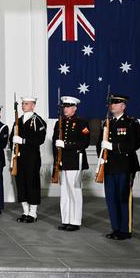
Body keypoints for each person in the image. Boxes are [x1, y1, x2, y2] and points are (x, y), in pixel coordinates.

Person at [99, 94, 140, 240]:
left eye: (116, 103)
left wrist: (113, 146)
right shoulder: (106, 122)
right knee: (111, 199)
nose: (112, 106)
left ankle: (125, 230)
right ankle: (116, 228)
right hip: (109, 166)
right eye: (111, 103)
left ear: (123, 106)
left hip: (125, 166)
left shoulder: (131, 122)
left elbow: (134, 144)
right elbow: (101, 143)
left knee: (124, 198)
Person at [52, 96, 90, 232]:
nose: (65, 109)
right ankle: (65, 219)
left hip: (75, 161)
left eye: (68, 107)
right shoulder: (59, 123)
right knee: (65, 193)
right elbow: (54, 143)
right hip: (63, 162)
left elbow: (84, 143)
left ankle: (75, 221)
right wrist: (56, 161)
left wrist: (66, 145)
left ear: (75, 108)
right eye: (64, 107)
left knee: (75, 192)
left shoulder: (82, 123)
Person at [10, 96, 46, 223]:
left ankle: (33, 213)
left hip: (32, 158)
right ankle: (25, 211)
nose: (23, 105)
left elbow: (40, 139)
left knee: (32, 184)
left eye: (26, 104)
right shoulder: (18, 120)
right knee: (21, 184)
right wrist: (13, 149)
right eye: (23, 103)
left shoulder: (38, 121)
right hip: (19, 158)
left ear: (33, 105)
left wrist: (23, 141)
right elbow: (11, 139)